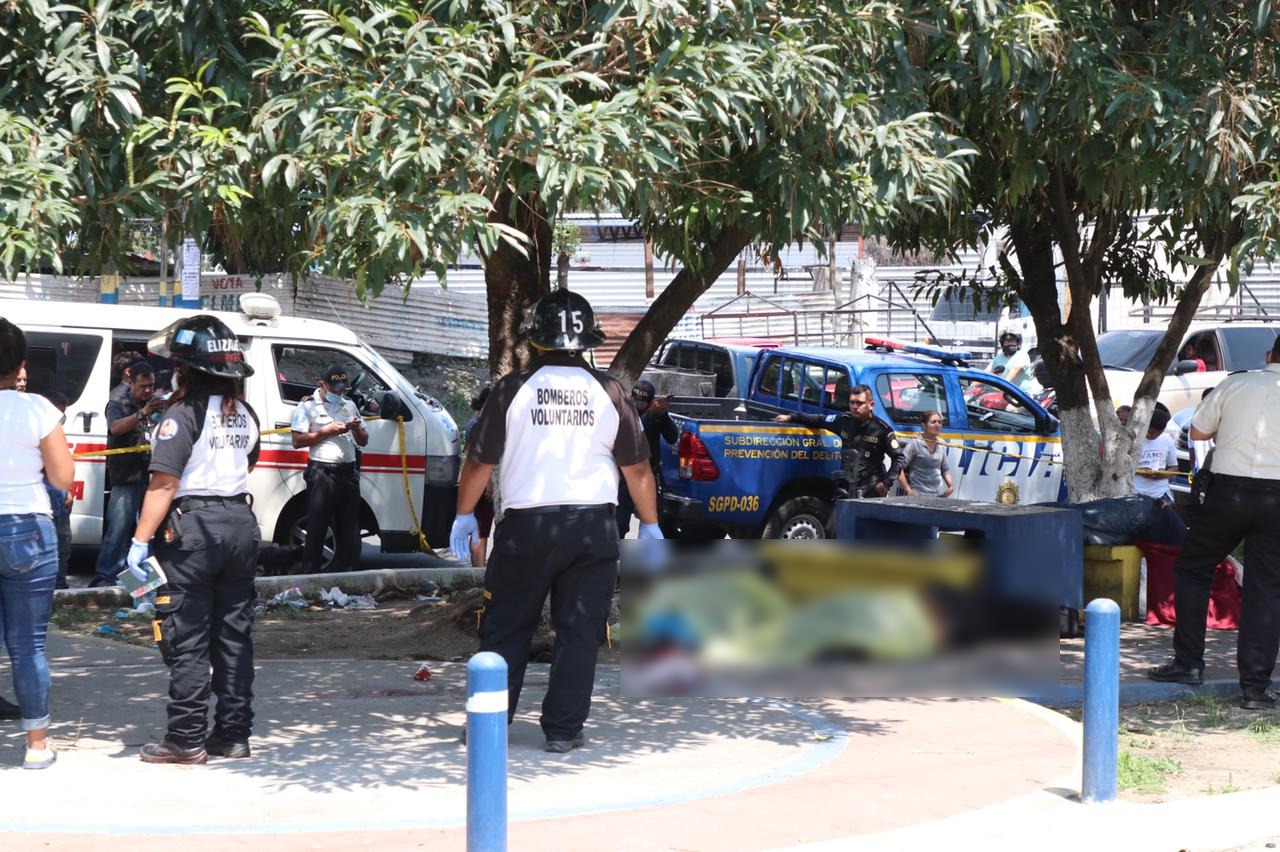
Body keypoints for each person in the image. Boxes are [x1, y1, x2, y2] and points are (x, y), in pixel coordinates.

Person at [449, 289, 660, 753]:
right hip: (593, 528)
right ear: (588, 342)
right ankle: (563, 730)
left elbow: (478, 463)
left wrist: (466, 513)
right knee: (580, 631)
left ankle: (489, 723)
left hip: (527, 527)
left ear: (536, 340)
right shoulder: (611, 393)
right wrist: (651, 524)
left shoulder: (510, 391)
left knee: (505, 625)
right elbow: (639, 470)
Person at [126, 315, 261, 764]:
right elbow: (248, 462)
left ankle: (185, 739)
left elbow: (163, 485)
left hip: (194, 532)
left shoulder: (181, 414)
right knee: (235, 637)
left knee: (189, 638)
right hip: (241, 525)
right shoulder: (246, 413)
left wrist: (140, 541)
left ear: (187, 368)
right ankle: (234, 735)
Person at [1148, 335, 1280, 709]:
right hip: (1277, 499)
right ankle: (1255, 689)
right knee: (1267, 587)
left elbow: (1199, 431)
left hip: (1229, 493)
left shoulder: (1236, 383)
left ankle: (1188, 663)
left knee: (1193, 568)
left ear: (1268, 355)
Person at [0, 317, 75, 768]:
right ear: (20, 362)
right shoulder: (39, 410)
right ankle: (37, 747)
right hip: (27, 527)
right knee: (28, 646)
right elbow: (62, 478)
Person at [290, 364, 368, 574]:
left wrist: (356, 428)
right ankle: (310, 578)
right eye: (335, 389)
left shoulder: (349, 405)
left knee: (349, 531)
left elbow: (364, 440)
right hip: (322, 474)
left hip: (348, 474)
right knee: (316, 528)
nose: (339, 393)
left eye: (343, 389)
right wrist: (327, 431)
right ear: (322, 384)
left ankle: (345, 578)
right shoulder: (307, 407)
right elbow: (297, 440)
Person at [89, 362, 162, 587]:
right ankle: (106, 577)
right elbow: (115, 428)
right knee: (119, 531)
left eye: (151, 386)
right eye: (143, 386)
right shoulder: (118, 403)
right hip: (126, 477)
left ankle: (143, 584)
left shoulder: (155, 404)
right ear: (131, 383)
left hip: (150, 477)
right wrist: (143, 414)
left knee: (148, 533)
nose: (147, 391)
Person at [773, 384, 906, 499]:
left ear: (871, 405)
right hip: (846, 487)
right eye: (852, 402)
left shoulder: (881, 429)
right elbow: (819, 419)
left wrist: (885, 484)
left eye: (859, 403)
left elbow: (899, 458)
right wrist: (791, 417)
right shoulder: (844, 421)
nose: (854, 407)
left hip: (871, 489)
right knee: (834, 526)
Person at [616, 380, 678, 537]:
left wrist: (662, 415)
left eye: (642, 403)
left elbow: (672, 437)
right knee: (619, 524)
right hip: (625, 477)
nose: (637, 406)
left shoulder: (656, 415)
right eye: (634, 401)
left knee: (652, 524)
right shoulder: (625, 413)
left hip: (650, 476)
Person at [40, 392, 74, 591]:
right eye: (60, 412)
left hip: (60, 501)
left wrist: (67, 491)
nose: (62, 416)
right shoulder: (38, 434)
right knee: (48, 550)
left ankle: (60, 587)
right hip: (45, 503)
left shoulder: (57, 432)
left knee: (63, 547)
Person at [463, 387, 495, 567]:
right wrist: (488, 481)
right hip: (481, 483)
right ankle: (479, 575)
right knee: (481, 533)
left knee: (478, 531)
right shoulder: (482, 423)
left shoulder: (475, 420)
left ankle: (477, 571)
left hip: (473, 482)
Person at [898, 411, 954, 497]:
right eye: (933, 422)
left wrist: (950, 486)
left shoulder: (941, 443)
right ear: (924, 425)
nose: (937, 425)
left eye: (939, 422)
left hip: (939, 496)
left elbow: (944, 467)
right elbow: (898, 468)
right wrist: (908, 491)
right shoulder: (915, 444)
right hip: (919, 496)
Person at [1134, 404, 1177, 501]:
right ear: (1146, 425)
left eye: (1159, 433)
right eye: (1151, 432)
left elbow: (1174, 468)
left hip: (1161, 494)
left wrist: (1163, 474)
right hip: (1136, 494)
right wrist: (1140, 471)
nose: (1153, 436)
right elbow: (1122, 468)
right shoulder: (1134, 440)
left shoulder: (1168, 440)